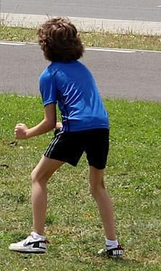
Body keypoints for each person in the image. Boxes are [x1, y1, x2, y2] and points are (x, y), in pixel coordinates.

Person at [10, 17, 122, 258]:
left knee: (38, 177)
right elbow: (83, 108)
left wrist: (27, 133)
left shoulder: (49, 75)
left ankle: (37, 238)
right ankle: (113, 245)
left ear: (45, 46)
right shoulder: (83, 69)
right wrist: (66, 123)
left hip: (77, 129)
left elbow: (49, 121)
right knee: (97, 186)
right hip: (101, 127)